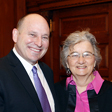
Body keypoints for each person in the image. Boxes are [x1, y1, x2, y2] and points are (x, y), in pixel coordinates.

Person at [0, 13, 59, 112]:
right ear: (15, 35)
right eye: (32, 35)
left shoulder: (47, 71)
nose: (39, 43)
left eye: (45, 37)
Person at [55, 30, 112, 112]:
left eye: (87, 54)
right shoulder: (55, 91)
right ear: (67, 62)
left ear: (94, 60)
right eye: (74, 55)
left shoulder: (110, 92)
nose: (81, 61)